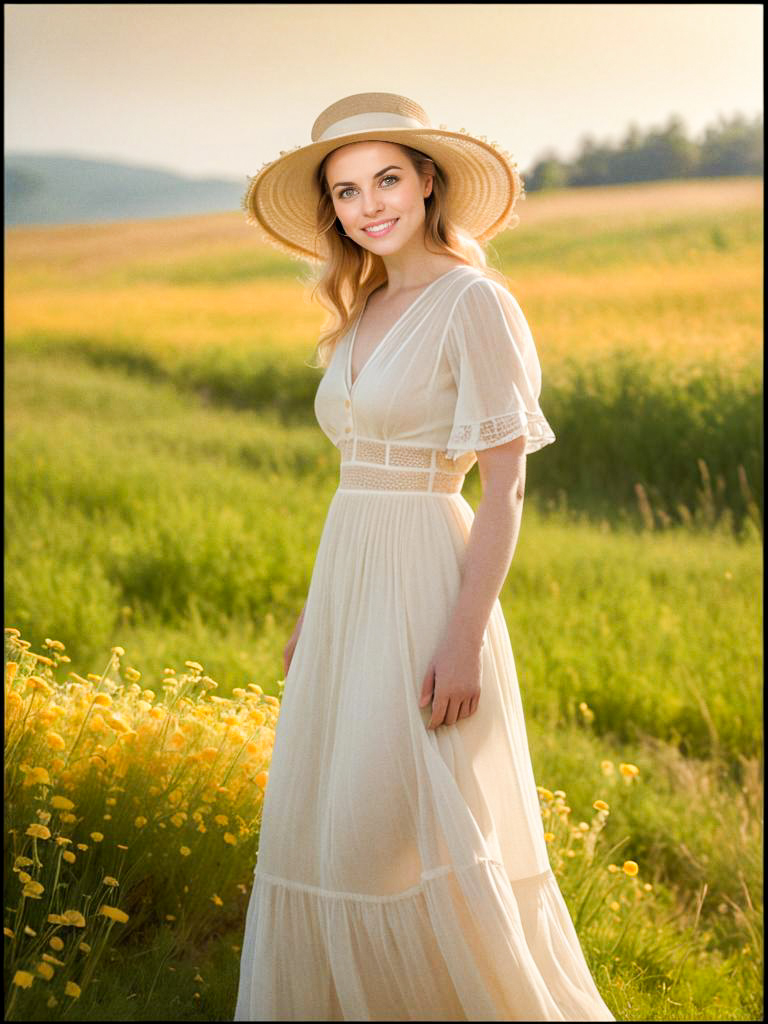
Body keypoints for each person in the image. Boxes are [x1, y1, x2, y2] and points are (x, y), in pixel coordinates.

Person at [234, 92, 615, 1022]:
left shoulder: (474, 299)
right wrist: (310, 618)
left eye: (387, 179)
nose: (370, 205)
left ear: (428, 179)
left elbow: (505, 488)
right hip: (348, 590)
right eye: (348, 190)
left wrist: (461, 640)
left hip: (427, 591)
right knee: (331, 832)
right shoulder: (365, 304)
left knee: (391, 832)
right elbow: (355, 484)